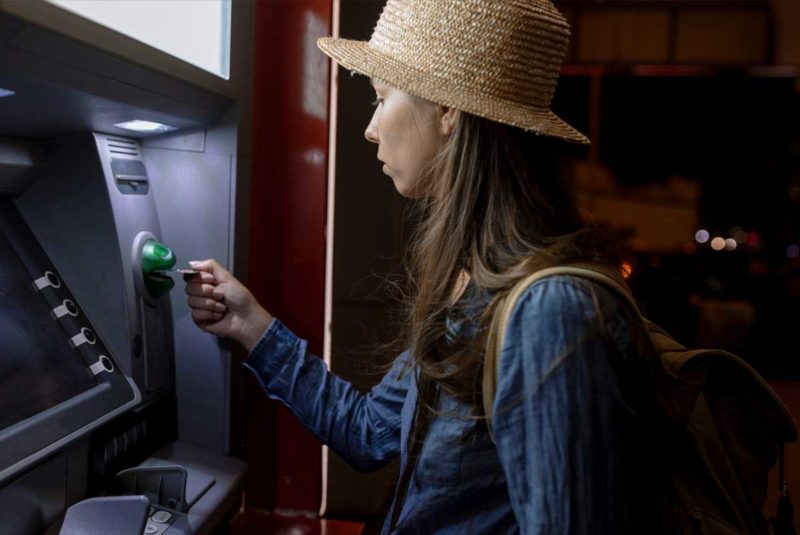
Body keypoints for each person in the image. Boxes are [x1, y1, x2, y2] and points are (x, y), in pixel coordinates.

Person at [185, 0, 663, 533]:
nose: (369, 129)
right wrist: (250, 325)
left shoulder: (551, 314)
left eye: (382, 98)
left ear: (446, 110)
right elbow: (370, 433)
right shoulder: (477, 284)